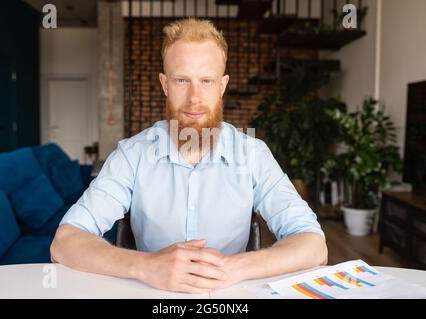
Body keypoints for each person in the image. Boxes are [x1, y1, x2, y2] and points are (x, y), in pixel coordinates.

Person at [50, 18, 328, 294]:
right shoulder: (132, 155)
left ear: (222, 85)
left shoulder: (253, 154)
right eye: (182, 80)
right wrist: (146, 266)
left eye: (206, 81)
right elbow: (65, 242)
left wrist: (234, 268)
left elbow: (314, 246)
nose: (194, 97)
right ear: (165, 84)